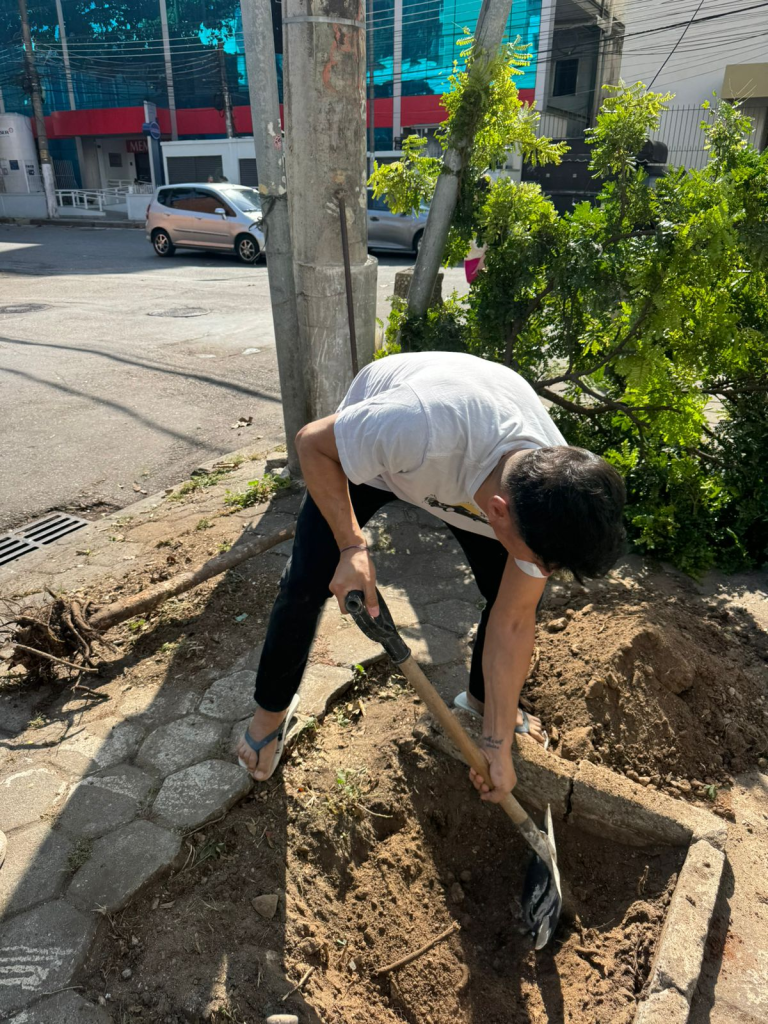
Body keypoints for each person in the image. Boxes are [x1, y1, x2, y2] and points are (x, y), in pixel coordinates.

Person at [237, 352, 626, 803]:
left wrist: (497, 745)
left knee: (517, 599)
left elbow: (514, 622)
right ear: (497, 513)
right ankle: (270, 714)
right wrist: (351, 546)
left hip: (467, 473)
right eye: (544, 563)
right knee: (306, 581)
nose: (543, 572)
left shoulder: (549, 496)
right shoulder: (412, 426)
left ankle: (482, 706)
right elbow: (311, 443)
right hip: (376, 460)